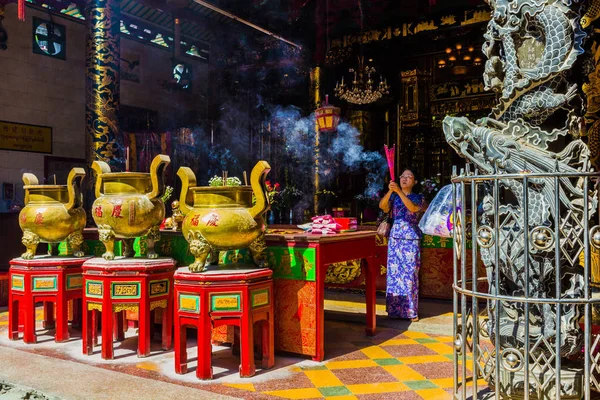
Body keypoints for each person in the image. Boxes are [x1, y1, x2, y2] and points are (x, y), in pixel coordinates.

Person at [379, 169, 425, 322]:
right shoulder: (394, 196)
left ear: (415, 182)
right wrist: (390, 191)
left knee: (409, 276)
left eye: (409, 176)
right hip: (395, 238)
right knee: (394, 276)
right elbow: (383, 206)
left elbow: (412, 208)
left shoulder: (419, 197)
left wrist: (398, 192)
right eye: (402, 176)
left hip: (410, 238)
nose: (404, 179)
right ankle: (394, 310)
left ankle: (410, 311)